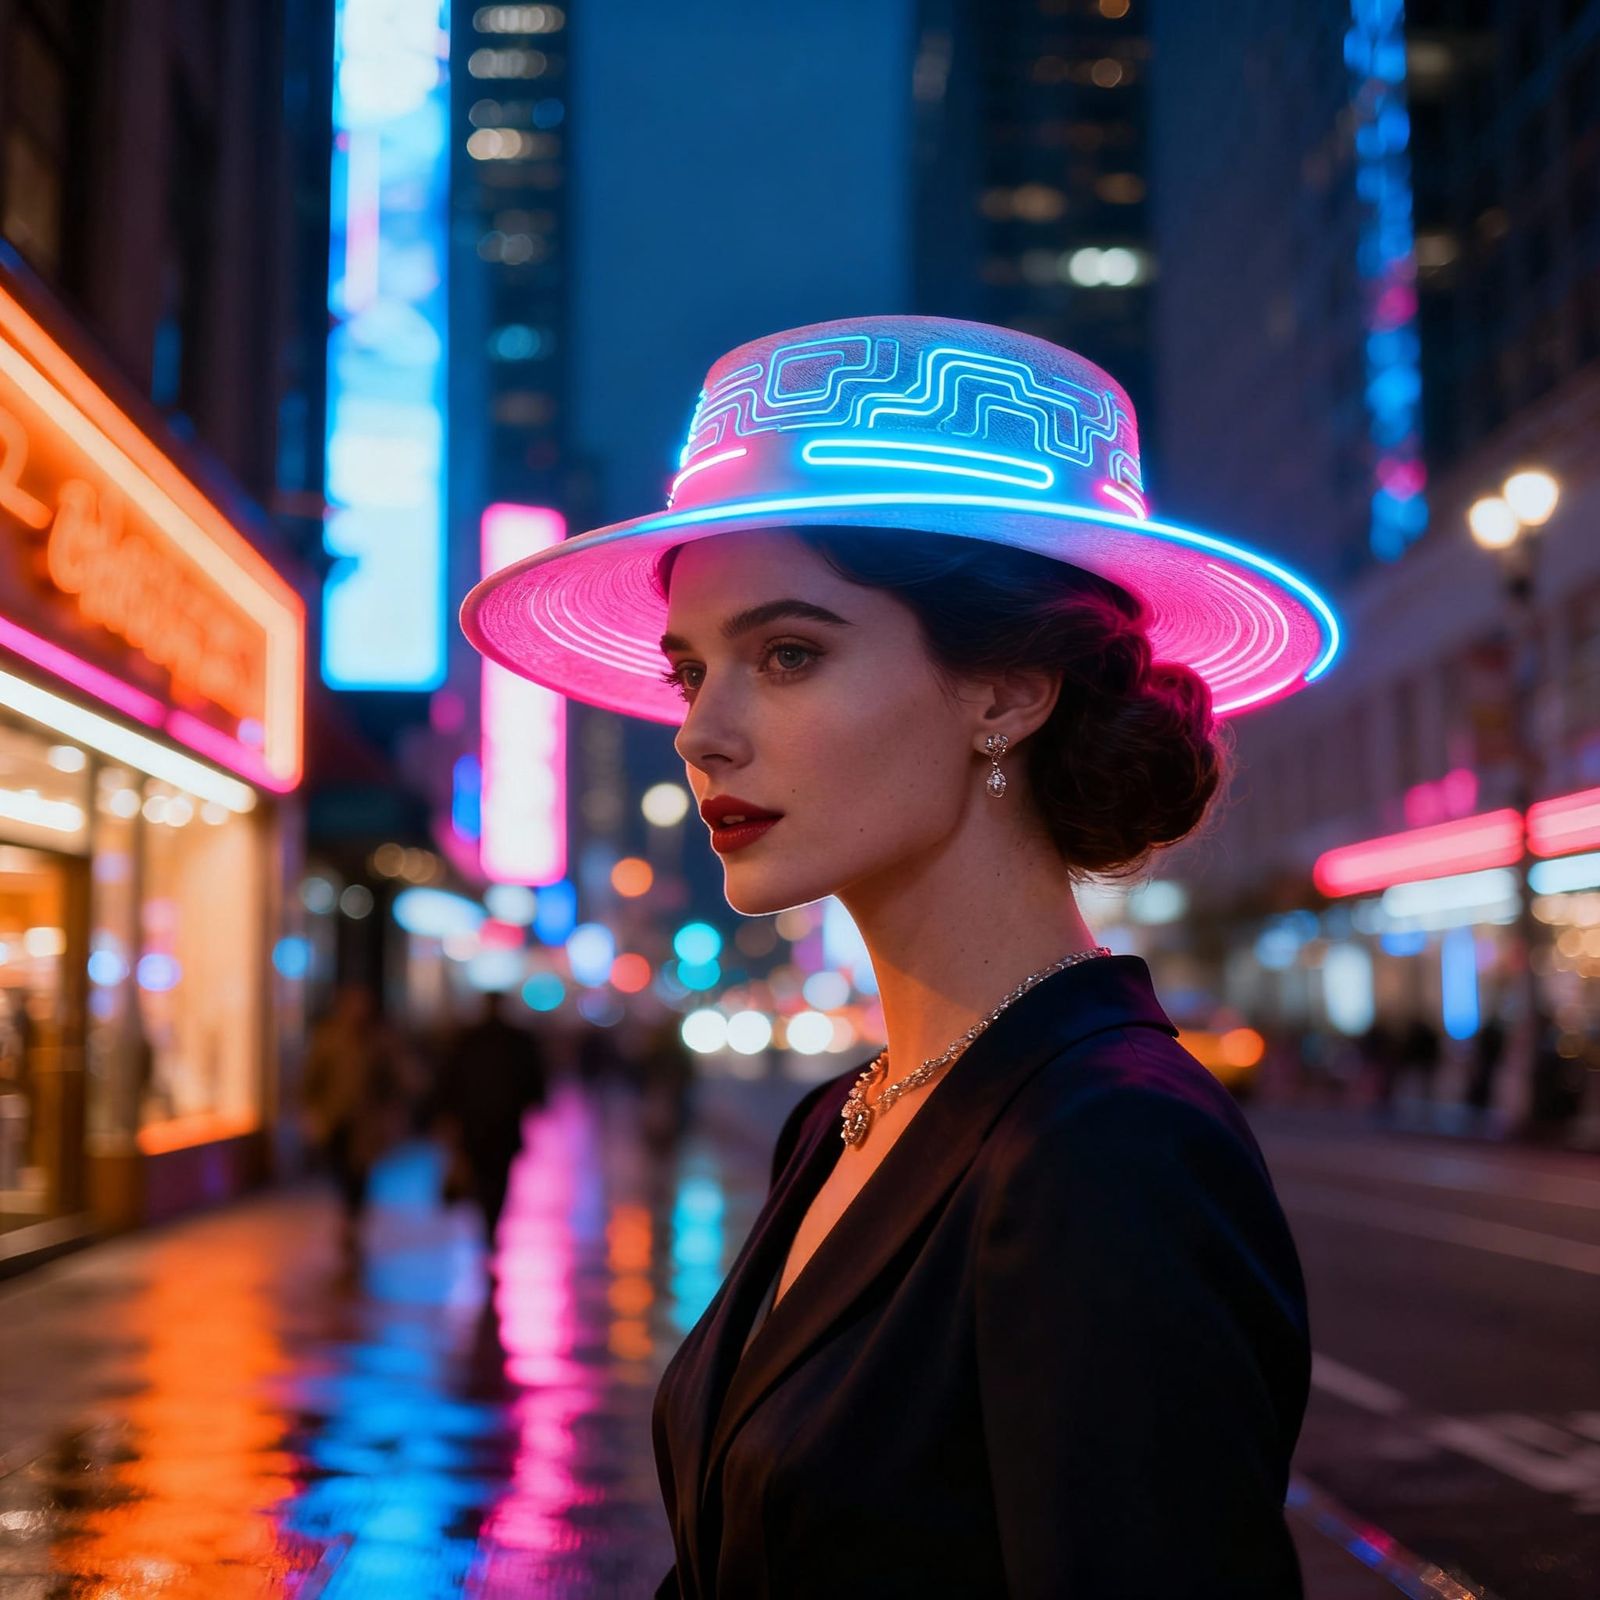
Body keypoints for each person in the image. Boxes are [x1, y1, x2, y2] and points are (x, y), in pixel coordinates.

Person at [461, 315, 1339, 1596]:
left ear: (1007, 691)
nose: (699, 732)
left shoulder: (1111, 1146)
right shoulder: (840, 1117)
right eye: (690, 671)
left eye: (788, 654)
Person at [302, 984, 409, 1263]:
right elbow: (312, 1080)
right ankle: (349, 1218)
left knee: (359, 1173)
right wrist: (314, 1115)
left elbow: (392, 1080)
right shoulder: (329, 1039)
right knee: (341, 1171)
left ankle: (353, 1221)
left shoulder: (378, 1041)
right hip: (337, 1120)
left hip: (366, 1125)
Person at [435, 989, 550, 1248]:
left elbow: (449, 1081)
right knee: (498, 1176)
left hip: (477, 1123)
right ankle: (490, 1222)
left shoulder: (469, 1039)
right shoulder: (515, 1040)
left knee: (482, 1173)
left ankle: (487, 1222)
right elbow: (533, 1079)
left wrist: (446, 1113)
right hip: (502, 1123)